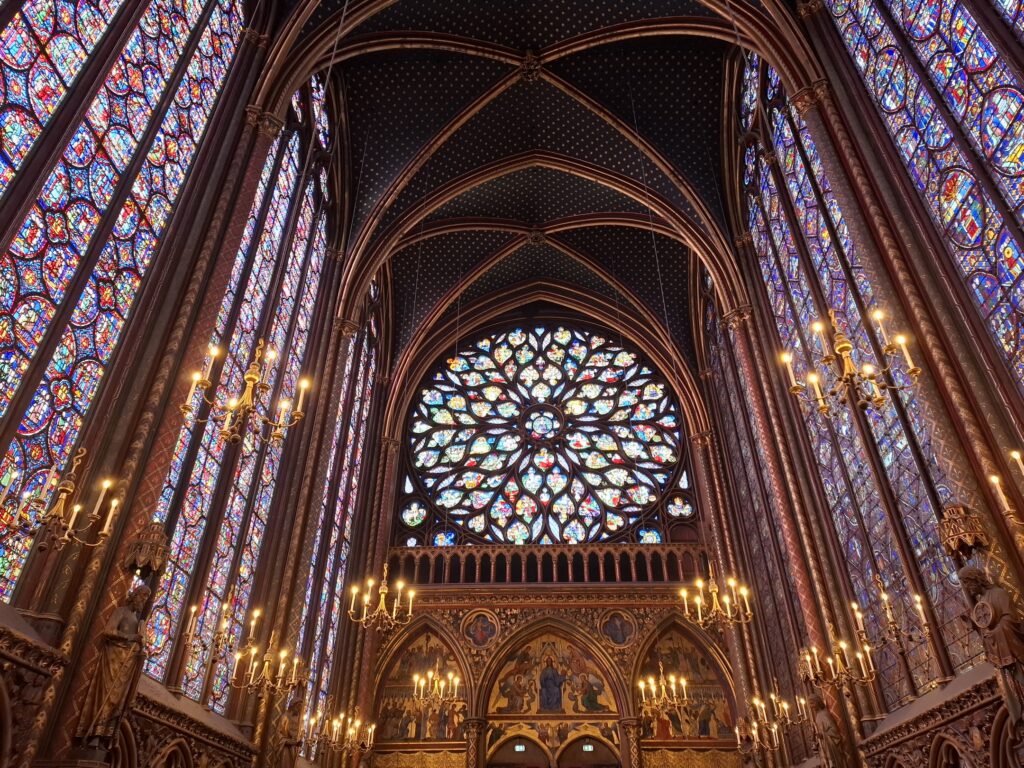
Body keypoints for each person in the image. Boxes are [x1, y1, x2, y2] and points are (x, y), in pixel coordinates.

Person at [76, 585, 152, 745]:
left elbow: (137, 642)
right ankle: (94, 732)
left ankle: (105, 734)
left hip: (128, 662)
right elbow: (109, 631)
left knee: (118, 701)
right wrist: (131, 638)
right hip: (114, 658)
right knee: (107, 695)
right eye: (142, 597)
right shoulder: (121, 612)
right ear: (135, 595)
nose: (143, 601)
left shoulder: (137, 620)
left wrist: (140, 643)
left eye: (146, 599)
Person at [960, 566, 1024, 725]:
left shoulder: (998, 594)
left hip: (1014, 654)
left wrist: (993, 633)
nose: (967, 588)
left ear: (976, 578)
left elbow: (1010, 621)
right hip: (1001, 659)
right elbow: (987, 628)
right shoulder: (982, 603)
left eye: (967, 582)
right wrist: (975, 626)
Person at [810, 695, 853, 768]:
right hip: (824, 746)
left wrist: (823, 735)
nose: (811, 706)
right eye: (810, 704)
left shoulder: (824, 714)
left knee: (835, 763)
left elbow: (834, 730)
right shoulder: (817, 717)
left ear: (817, 702)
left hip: (831, 745)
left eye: (812, 703)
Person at [276, 699, 302, 768]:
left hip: (293, 750)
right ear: (293, 705)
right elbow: (278, 732)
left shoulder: (296, 719)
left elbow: (295, 734)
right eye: (298, 706)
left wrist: (298, 742)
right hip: (285, 749)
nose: (300, 709)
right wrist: (287, 741)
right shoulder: (285, 716)